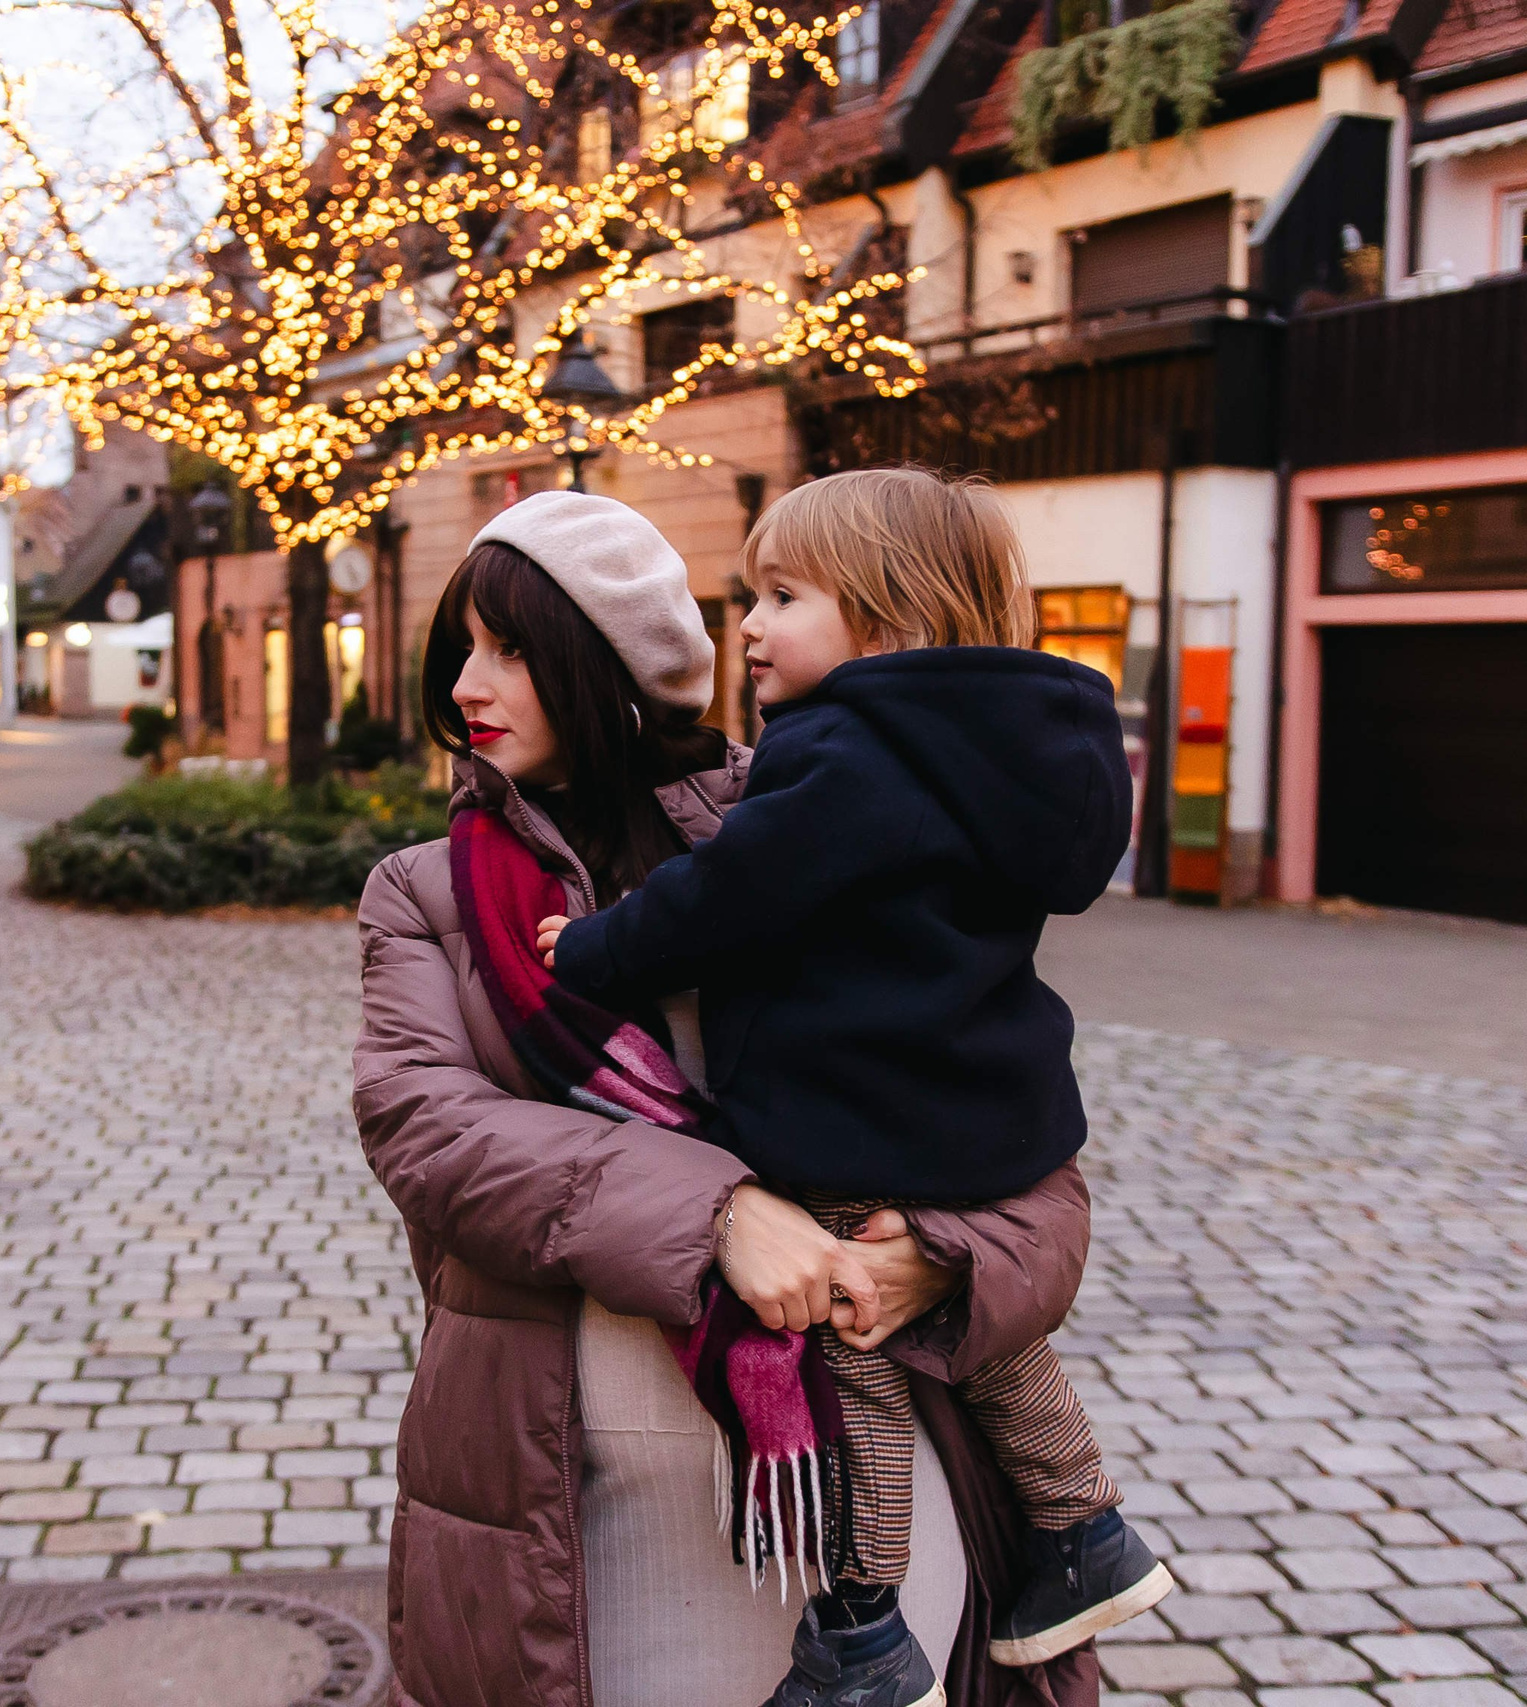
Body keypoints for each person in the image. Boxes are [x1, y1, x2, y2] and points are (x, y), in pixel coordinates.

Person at [353, 488, 1102, 1707]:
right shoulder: (426, 895)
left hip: (879, 1485)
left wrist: (933, 1259)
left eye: (510, 650)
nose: (466, 691)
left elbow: (1024, 1152)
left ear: (612, 669)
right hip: (578, 1509)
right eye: (459, 657)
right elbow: (430, 1131)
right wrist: (719, 1213)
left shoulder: (826, 817)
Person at [536, 469, 1169, 1707]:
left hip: (852, 1113)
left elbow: (731, 895)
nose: (751, 628)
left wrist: (599, 949)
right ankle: (1083, 1533)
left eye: (780, 596)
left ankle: (863, 1630)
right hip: (984, 1108)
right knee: (975, 1335)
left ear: (884, 618)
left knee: (852, 1338)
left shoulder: (843, 749)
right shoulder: (1022, 750)